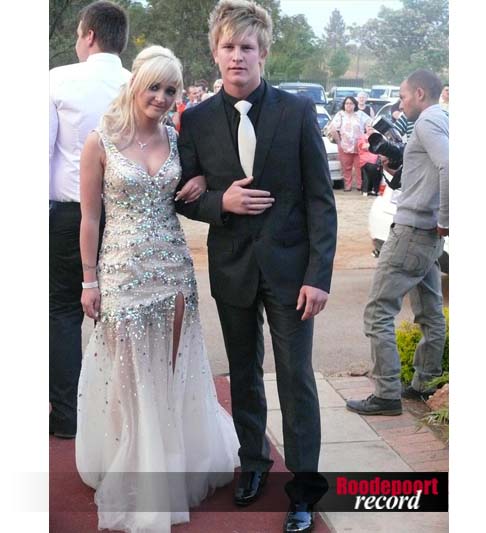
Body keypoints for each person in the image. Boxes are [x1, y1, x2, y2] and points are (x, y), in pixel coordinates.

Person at [174, 2, 337, 531]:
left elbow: (321, 201)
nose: (237, 56)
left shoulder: (297, 112)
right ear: (215, 54)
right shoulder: (196, 120)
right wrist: (219, 202)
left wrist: (318, 276)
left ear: (263, 52)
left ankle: (304, 491)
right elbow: (181, 195)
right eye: (228, 47)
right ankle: (253, 463)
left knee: (295, 380)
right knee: (243, 374)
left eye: (247, 47)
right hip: (232, 268)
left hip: (293, 274)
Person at [75, 45, 240, 532]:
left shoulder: (175, 138)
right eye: (155, 87)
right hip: (121, 271)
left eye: (171, 90)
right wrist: (89, 279)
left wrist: (202, 178)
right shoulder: (99, 141)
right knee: (129, 375)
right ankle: (134, 467)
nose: (163, 98)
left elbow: (200, 182)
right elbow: (89, 218)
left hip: (172, 268)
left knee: (169, 369)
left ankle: (169, 463)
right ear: (135, 85)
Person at [49, 0, 130, 440]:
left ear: (90, 35)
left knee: (62, 311)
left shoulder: (57, 80)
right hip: (125, 214)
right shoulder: (137, 83)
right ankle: (119, 414)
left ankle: (67, 414)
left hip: (69, 213)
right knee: (118, 312)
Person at [347, 68, 449, 416]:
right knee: (430, 312)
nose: (400, 104)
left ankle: (386, 394)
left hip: (412, 232)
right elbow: (429, 171)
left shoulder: (427, 121)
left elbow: (449, 166)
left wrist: (446, 219)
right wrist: (398, 167)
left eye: (403, 96)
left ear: (420, 93)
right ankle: (425, 383)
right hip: (428, 237)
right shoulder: (443, 120)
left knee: (378, 312)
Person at [329, 95, 371, 192]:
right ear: (344, 105)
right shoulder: (340, 115)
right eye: (346, 103)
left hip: (359, 146)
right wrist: (338, 142)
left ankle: (360, 185)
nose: (348, 105)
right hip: (344, 146)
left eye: (351, 103)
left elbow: (370, 124)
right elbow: (333, 128)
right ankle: (347, 186)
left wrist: (367, 137)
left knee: (359, 167)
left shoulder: (360, 114)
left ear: (355, 105)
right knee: (346, 167)